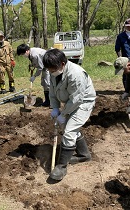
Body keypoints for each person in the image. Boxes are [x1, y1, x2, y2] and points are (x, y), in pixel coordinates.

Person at [43, 48, 96, 181]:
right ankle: (84, 155)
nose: (50, 72)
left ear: (62, 64)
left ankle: (61, 166)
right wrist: (55, 108)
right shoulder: (53, 71)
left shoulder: (76, 74)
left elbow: (77, 99)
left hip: (83, 102)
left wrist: (64, 114)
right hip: (70, 102)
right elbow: (52, 92)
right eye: (49, 69)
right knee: (69, 128)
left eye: (52, 69)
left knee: (69, 132)